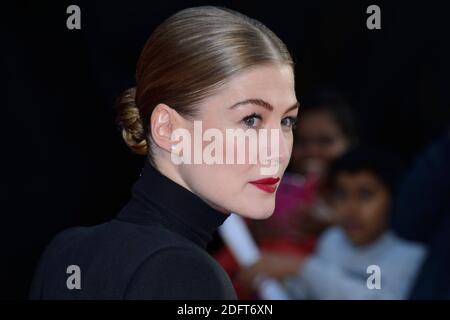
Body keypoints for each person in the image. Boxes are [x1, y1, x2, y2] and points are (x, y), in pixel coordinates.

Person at [29, 6, 299, 299]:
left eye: (287, 121)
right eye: (251, 119)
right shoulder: (187, 271)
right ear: (167, 128)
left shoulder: (67, 250)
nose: (278, 150)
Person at [215, 89, 357, 299]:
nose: (312, 151)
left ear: (350, 143)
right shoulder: (268, 190)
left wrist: (333, 224)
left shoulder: (366, 196)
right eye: (302, 142)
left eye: (325, 141)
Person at [239, 146, 426, 299]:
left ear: (394, 199)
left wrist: (302, 267)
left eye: (365, 195)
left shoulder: (410, 256)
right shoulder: (332, 240)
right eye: (341, 195)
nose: (350, 208)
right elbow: (308, 292)